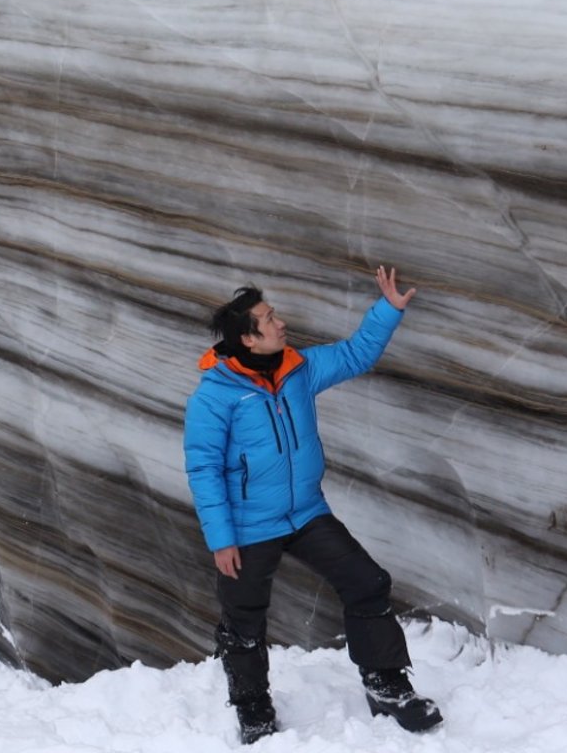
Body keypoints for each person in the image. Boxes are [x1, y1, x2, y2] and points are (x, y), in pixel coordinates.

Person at [182, 268, 441, 743]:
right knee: (243, 622)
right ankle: (253, 708)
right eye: (269, 318)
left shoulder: (297, 369)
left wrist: (388, 309)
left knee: (367, 583)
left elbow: (356, 353)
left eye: (274, 314)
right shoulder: (215, 398)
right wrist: (222, 539)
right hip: (249, 526)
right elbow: (204, 470)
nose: (280, 323)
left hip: (305, 513)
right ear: (248, 337)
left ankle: (385, 684)